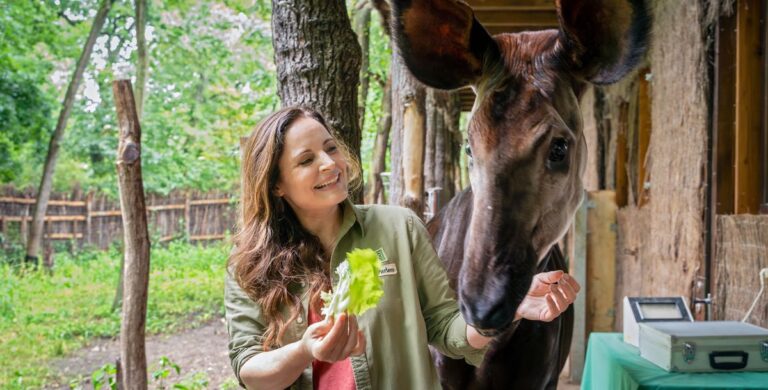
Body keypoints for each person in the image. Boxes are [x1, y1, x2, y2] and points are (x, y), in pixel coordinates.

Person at [225, 106, 580, 390]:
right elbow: (250, 369)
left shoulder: (399, 227)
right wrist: (305, 350)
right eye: (306, 160)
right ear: (276, 186)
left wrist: (511, 307)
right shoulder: (250, 265)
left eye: (331, 148)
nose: (330, 164)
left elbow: (448, 330)